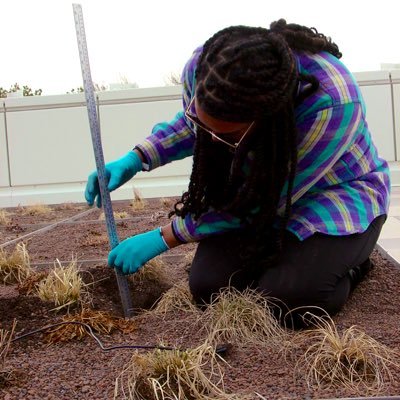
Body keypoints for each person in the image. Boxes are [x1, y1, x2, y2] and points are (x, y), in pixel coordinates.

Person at [85, 19, 390, 327]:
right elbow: (195, 125)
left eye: (229, 136)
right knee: (209, 288)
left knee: (291, 300)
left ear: (267, 121)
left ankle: (352, 264)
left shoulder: (331, 102)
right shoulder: (209, 68)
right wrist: (137, 157)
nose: (213, 140)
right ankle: (296, 258)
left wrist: (167, 236)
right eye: (208, 127)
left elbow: (269, 198)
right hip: (256, 195)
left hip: (333, 195)